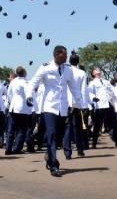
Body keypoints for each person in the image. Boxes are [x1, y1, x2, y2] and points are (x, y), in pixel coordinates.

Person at [28, 45, 83, 177]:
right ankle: (54, 166)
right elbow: (33, 83)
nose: (66, 56)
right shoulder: (46, 67)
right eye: (64, 54)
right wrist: (30, 96)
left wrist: (79, 102)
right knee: (51, 135)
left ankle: (49, 155)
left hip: (62, 108)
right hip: (49, 106)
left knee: (59, 137)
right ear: (56, 55)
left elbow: (74, 87)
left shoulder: (69, 70)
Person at [88, 69, 117, 148]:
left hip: (108, 104)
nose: (98, 70)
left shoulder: (106, 81)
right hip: (100, 105)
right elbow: (89, 92)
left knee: (114, 123)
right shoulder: (92, 83)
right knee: (97, 125)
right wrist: (93, 98)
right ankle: (94, 143)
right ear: (93, 73)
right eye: (96, 70)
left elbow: (113, 89)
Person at [64, 54, 89, 157]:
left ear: (69, 61)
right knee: (78, 128)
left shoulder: (66, 70)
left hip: (67, 102)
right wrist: (84, 105)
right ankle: (80, 149)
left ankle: (67, 152)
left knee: (67, 128)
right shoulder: (82, 73)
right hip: (78, 102)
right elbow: (84, 90)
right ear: (78, 62)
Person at [5, 66, 32, 155]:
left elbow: (9, 94)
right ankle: (17, 148)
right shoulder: (25, 82)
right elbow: (28, 93)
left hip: (13, 106)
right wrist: (30, 103)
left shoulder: (13, 81)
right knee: (22, 129)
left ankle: (8, 148)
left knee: (11, 129)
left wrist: (11, 103)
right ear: (24, 73)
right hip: (22, 108)